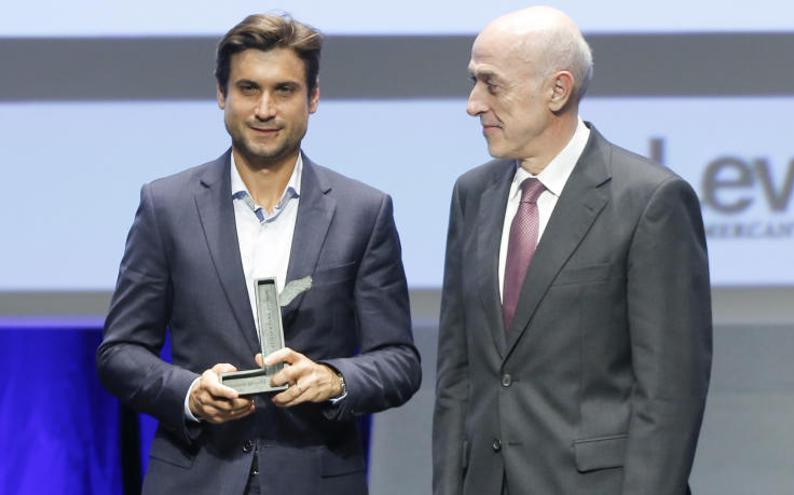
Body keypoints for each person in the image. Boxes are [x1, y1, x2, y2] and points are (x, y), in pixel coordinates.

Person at [97, 13, 421, 495]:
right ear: (221, 94)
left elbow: (399, 361)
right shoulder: (166, 206)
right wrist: (189, 393)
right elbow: (119, 353)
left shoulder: (363, 211)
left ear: (313, 98)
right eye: (248, 89)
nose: (264, 109)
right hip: (196, 475)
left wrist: (334, 379)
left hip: (315, 477)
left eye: (284, 91)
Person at [433, 6, 712, 495]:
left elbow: (668, 395)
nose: (473, 104)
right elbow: (457, 376)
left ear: (557, 90)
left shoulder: (650, 200)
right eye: (473, 82)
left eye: (491, 84)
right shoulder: (471, 195)